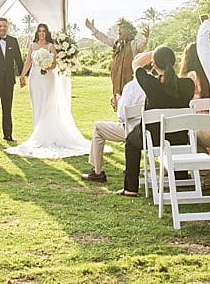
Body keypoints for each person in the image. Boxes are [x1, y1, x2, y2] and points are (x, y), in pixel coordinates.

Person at [119, 45, 194, 197]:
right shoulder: (188, 85)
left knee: (131, 141)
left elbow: (136, 64)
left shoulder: (150, 84)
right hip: (179, 138)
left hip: (153, 139)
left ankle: (131, 188)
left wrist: (152, 54)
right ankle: (180, 178)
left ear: (154, 65)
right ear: (175, 62)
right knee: (174, 138)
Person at [6, 23, 90, 159]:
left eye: (44, 31)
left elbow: (54, 63)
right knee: (37, 104)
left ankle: (47, 135)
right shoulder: (32, 46)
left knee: (47, 104)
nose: (41, 33)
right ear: (37, 33)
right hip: (35, 78)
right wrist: (22, 75)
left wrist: (46, 66)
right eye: (39, 31)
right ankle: (37, 133)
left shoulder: (51, 46)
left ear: (47, 33)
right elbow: (28, 61)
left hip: (47, 77)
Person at [82, 51, 147, 183]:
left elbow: (122, 116)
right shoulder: (159, 84)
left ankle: (97, 171)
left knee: (98, 127)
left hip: (132, 132)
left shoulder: (131, 87)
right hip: (152, 133)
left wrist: (118, 100)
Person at [85, 17, 149, 97]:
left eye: (121, 28)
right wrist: (92, 28)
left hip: (129, 81)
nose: (119, 30)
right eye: (119, 28)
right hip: (116, 80)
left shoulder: (133, 44)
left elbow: (141, 45)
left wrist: (145, 37)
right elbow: (104, 38)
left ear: (129, 31)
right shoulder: (116, 43)